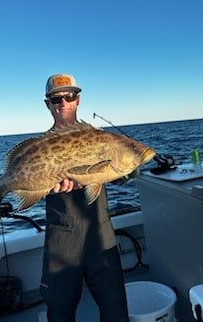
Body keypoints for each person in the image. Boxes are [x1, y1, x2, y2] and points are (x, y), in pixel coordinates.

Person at [39, 74, 129, 322]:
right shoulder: (40, 148)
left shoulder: (99, 137)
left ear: (78, 100)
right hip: (61, 239)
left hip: (100, 236)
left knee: (116, 312)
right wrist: (46, 185)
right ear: (48, 104)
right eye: (56, 99)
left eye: (70, 96)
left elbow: (127, 172)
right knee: (59, 314)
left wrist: (123, 160)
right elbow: (29, 187)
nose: (63, 103)